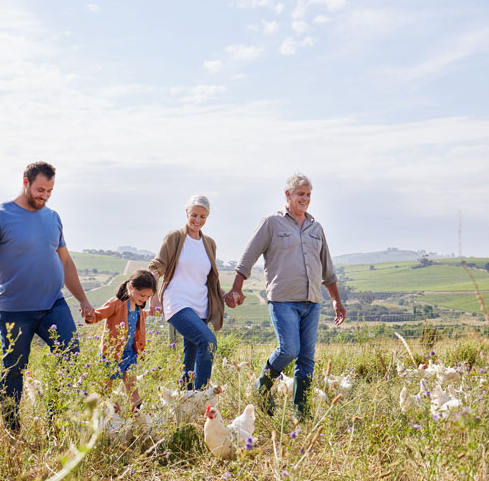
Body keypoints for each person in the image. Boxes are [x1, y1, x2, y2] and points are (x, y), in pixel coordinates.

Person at [0, 161, 95, 433]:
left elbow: (65, 262)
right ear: (26, 182)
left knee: (71, 355)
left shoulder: (53, 218)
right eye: (41, 189)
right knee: (14, 367)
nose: (45, 196)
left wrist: (83, 300)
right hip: (15, 310)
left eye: (50, 191)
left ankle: (56, 419)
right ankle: (12, 428)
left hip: (53, 304)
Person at [225, 173, 346, 419]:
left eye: (308, 194)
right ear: (288, 195)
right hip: (282, 300)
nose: (305, 198)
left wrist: (336, 300)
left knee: (307, 359)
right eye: (300, 193)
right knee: (289, 350)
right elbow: (248, 257)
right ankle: (263, 385)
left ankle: (301, 413)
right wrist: (237, 287)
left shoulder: (316, 228)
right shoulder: (272, 223)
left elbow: (327, 268)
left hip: (311, 302)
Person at [148, 195, 226, 390]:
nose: (197, 220)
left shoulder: (209, 243)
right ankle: (201, 396)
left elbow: (209, 279)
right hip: (177, 302)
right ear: (186, 213)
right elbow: (156, 268)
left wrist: (227, 295)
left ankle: (185, 402)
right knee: (208, 342)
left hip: (200, 306)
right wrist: (154, 297)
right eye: (194, 215)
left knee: (189, 360)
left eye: (202, 216)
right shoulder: (175, 237)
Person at [86, 270, 157, 410]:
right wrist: (90, 316)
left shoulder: (137, 306)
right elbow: (99, 315)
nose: (144, 299)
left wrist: (150, 312)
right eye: (142, 295)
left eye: (148, 297)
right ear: (131, 287)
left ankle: (137, 415)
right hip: (112, 354)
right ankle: (104, 415)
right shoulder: (116, 304)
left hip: (129, 353)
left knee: (133, 388)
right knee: (106, 389)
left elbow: (140, 315)